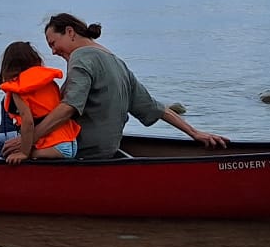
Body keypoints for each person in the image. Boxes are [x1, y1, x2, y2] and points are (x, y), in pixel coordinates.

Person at [25, 12, 227, 159]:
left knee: (7, 141)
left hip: (83, 149)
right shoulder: (116, 62)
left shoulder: (80, 57)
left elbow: (69, 107)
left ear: (70, 32)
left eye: (53, 43)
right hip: (108, 149)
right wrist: (194, 133)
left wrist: (29, 139)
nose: (53, 52)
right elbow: (154, 107)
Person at [0, 41, 81, 163]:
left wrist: (24, 153)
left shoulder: (17, 89)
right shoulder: (49, 82)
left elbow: (28, 123)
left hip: (53, 147)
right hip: (70, 143)